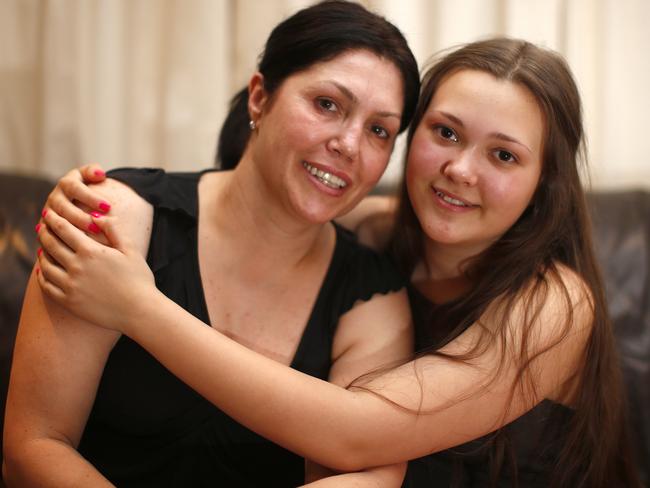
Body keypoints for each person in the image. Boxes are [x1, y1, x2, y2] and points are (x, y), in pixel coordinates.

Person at [25, 38, 641, 487]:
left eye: (504, 156)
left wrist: (136, 305)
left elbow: (358, 431)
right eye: (446, 133)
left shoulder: (555, 304)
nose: (460, 169)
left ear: (546, 182)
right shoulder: (375, 230)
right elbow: (253, 205)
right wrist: (103, 199)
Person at [2, 1, 421, 487]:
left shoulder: (372, 297)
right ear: (259, 98)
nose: (349, 144)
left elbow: (363, 476)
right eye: (327, 104)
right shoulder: (116, 218)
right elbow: (33, 446)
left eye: (379, 130)